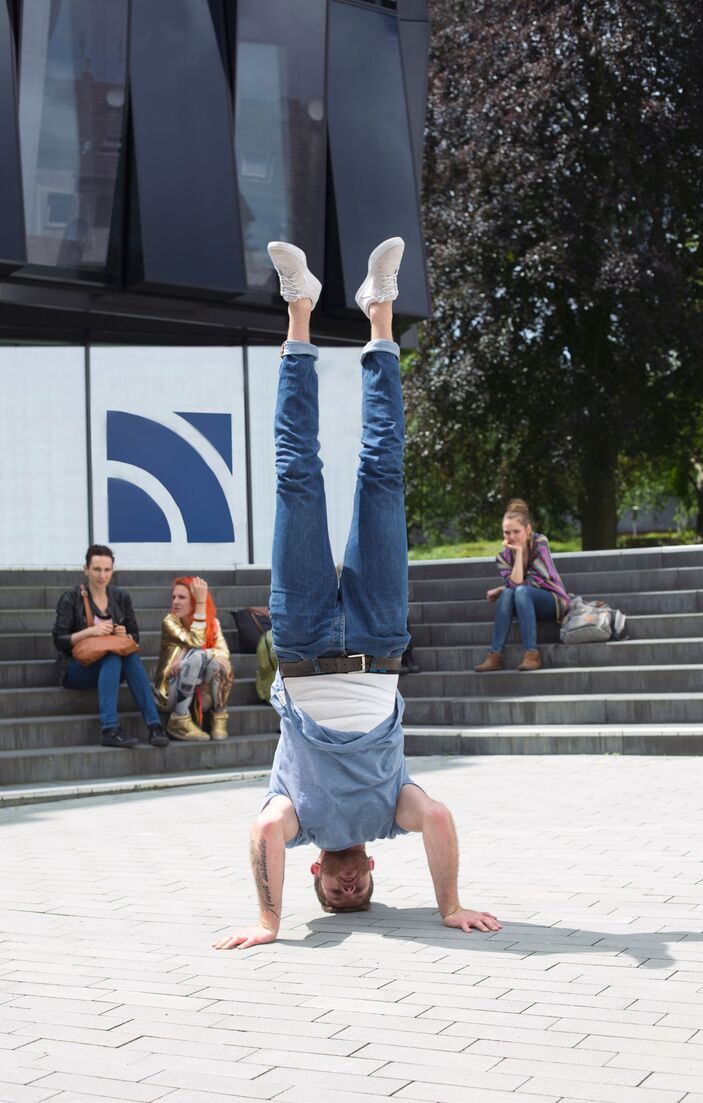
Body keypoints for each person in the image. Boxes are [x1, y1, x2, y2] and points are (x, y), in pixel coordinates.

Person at [214, 237, 501, 950]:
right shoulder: (388, 815)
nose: (347, 889)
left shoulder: (296, 819)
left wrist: (270, 920)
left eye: (334, 894)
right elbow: (436, 820)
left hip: (305, 638)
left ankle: (301, 309)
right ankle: (379, 313)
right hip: (377, 637)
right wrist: (449, 906)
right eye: (358, 892)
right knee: (382, 474)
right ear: (371, 865)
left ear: (312, 870)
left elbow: (259, 831)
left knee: (294, 476)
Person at [52, 545, 168, 748]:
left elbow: (135, 637)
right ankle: (110, 729)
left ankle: (155, 726)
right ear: (85, 569)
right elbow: (59, 640)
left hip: (110, 668)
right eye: (96, 569)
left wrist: (125, 634)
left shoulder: (121, 598)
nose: (102, 575)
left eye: (107, 570)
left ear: (113, 571)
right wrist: (90, 632)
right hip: (76, 668)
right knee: (112, 656)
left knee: (127, 656)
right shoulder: (71, 598)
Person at [475, 498, 571, 672]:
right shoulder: (503, 558)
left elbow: (539, 580)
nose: (511, 537)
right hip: (523, 602)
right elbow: (515, 585)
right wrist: (518, 553)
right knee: (508, 594)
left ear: (528, 530)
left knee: (518, 591)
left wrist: (504, 587)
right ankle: (495, 655)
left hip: (552, 601)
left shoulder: (539, 543)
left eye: (516, 532)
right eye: (506, 533)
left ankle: (531, 653)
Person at [153, 575, 234, 741]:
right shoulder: (170, 622)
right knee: (198, 655)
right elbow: (196, 641)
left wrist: (186, 660)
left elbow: (224, 653)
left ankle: (219, 716)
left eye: (182, 597)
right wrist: (201, 605)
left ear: (194, 601)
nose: (175, 601)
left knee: (222, 663)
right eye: (174, 597)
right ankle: (179, 719)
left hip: (201, 694)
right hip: (169, 695)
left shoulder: (213, 624)